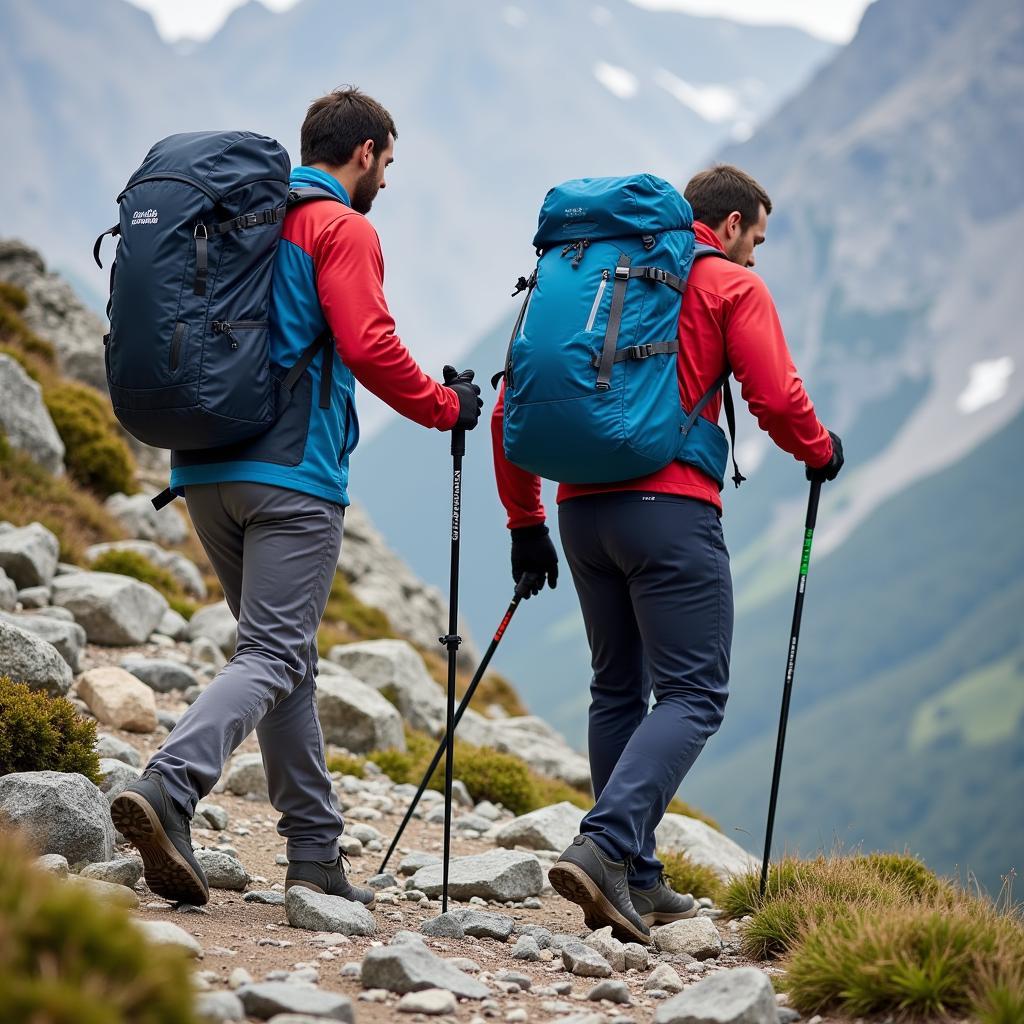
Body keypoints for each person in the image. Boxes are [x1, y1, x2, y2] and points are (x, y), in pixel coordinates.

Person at [111, 88, 483, 907]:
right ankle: (171, 785)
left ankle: (314, 854)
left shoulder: (247, 217)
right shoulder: (340, 226)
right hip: (289, 478)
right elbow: (369, 343)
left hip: (204, 468)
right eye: (387, 163)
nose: (385, 178)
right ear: (365, 152)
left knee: (285, 662)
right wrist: (444, 405)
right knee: (275, 655)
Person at [491, 164, 843, 944]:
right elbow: (776, 398)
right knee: (694, 695)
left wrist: (525, 519)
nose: (756, 255)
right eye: (756, 236)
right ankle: (606, 844)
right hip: (670, 511)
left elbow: (514, 399)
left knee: (616, 688)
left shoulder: (581, 276)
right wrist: (819, 452)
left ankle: (639, 880)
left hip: (580, 513)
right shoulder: (727, 285)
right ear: (727, 225)